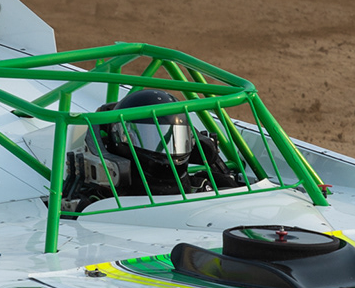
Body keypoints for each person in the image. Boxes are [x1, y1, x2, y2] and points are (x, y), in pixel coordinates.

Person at [59, 87, 244, 210]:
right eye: (149, 138)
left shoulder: (206, 186)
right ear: (119, 139)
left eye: (175, 138)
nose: (166, 149)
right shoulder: (97, 202)